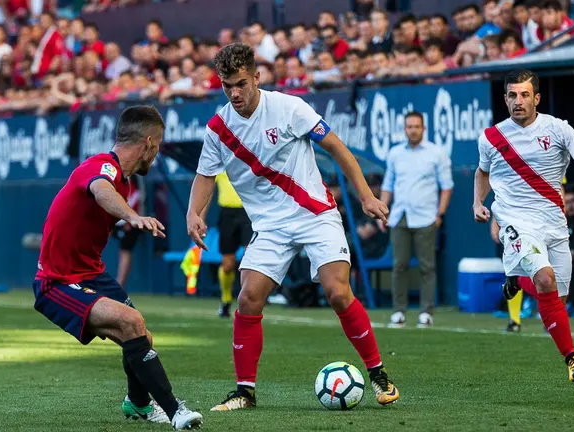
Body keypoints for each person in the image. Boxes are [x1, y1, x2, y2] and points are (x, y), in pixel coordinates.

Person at [187, 42, 399, 411]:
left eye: (240, 83)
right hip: (269, 227)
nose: (234, 93)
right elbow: (205, 175)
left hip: (314, 214)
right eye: (226, 86)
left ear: (256, 77)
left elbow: (337, 149)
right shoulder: (218, 128)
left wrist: (365, 195)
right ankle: (245, 392)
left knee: (337, 291)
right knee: (248, 298)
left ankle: (378, 373)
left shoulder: (289, 108)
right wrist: (194, 213)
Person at [32, 106, 203, 430]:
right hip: (57, 282)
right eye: (159, 145)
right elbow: (100, 190)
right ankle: (174, 411)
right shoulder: (101, 168)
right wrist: (132, 216)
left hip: (91, 274)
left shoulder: (122, 180)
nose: (157, 153)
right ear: (149, 143)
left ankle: (137, 403)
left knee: (141, 336)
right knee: (131, 321)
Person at [473, 69, 574, 383]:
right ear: (505, 98)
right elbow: (482, 173)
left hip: (553, 222)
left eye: (523, 95)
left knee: (557, 301)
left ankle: (519, 283)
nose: (517, 101)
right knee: (546, 279)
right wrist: (478, 203)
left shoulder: (558, 129)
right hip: (515, 219)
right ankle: (573, 359)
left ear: (536, 98)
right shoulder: (491, 137)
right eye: (511, 95)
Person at [380, 111, 453, 328]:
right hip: (399, 216)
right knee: (399, 265)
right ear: (404, 129)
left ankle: (426, 312)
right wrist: (382, 211)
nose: (413, 130)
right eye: (409, 126)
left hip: (425, 217)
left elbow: (447, 186)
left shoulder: (436, 153)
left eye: (416, 126)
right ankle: (398, 312)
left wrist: (439, 214)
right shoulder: (394, 153)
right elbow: (388, 184)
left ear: (424, 129)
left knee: (426, 266)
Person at [215, 170, 253, 318]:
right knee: (227, 265)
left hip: (248, 212)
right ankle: (226, 300)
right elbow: (206, 186)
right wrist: (199, 215)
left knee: (251, 255)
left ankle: (251, 297)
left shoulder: (250, 156)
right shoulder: (219, 159)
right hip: (227, 214)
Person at [111, 175, 144, 289]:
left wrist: (129, 220)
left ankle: (119, 284)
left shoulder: (132, 178)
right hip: (119, 221)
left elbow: (135, 197)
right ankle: (118, 283)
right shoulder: (116, 176)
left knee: (125, 252)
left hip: (129, 221)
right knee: (122, 252)